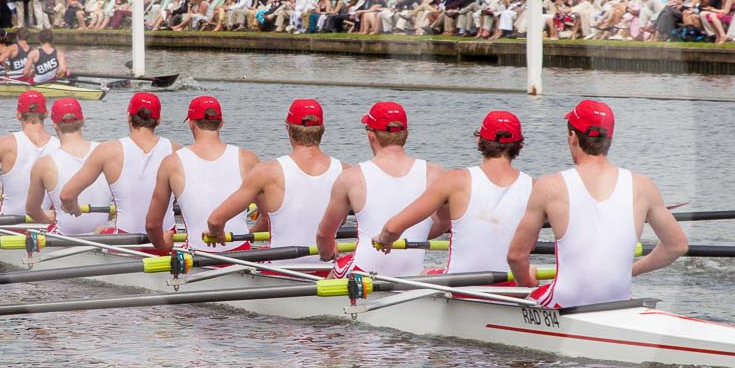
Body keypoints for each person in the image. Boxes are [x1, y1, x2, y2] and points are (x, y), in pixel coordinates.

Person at [507, 99, 687, 307]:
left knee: (529, 294)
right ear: (609, 138)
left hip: (564, 303)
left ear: (572, 137)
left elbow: (516, 255)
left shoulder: (549, 186)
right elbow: (677, 246)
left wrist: (527, 287)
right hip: (619, 302)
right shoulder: (643, 186)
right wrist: (630, 271)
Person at [372, 110, 530, 274]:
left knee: (420, 272)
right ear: (520, 145)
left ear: (479, 140)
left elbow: (392, 229)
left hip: (458, 288)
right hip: (512, 288)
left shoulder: (455, 180)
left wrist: (384, 240)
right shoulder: (534, 187)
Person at [203, 98, 343, 267]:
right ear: (322, 130)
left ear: (288, 129)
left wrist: (215, 233)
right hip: (329, 272)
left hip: (280, 273)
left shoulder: (266, 172)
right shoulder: (346, 172)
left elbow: (215, 221)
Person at [315, 100, 443, 278]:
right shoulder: (437, 174)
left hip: (364, 275)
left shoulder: (351, 177)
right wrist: (414, 233)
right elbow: (444, 223)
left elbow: (323, 235)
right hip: (414, 276)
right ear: (405, 134)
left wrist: (327, 255)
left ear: (371, 135)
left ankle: (323, 303)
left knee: (341, 263)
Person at [145, 95, 257, 256]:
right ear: (221, 122)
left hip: (196, 255)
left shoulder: (171, 162)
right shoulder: (249, 159)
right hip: (242, 255)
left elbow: (152, 225)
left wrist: (163, 245)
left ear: (191, 124)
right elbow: (267, 219)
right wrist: (248, 234)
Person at [61, 91, 175, 235]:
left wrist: (72, 208)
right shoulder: (177, 151)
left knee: (100, 230)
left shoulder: (107, 150)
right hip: (168, 240)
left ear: (128, 117)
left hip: (124, 242)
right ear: (158, 120)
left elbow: (66, 196)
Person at [26, 97, 111, 234]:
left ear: (54, 124)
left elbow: (31, 211)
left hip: (66, 238)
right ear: (83, 121)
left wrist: (49, 218)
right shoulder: (107, 152)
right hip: (103, 235)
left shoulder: (43, 163)